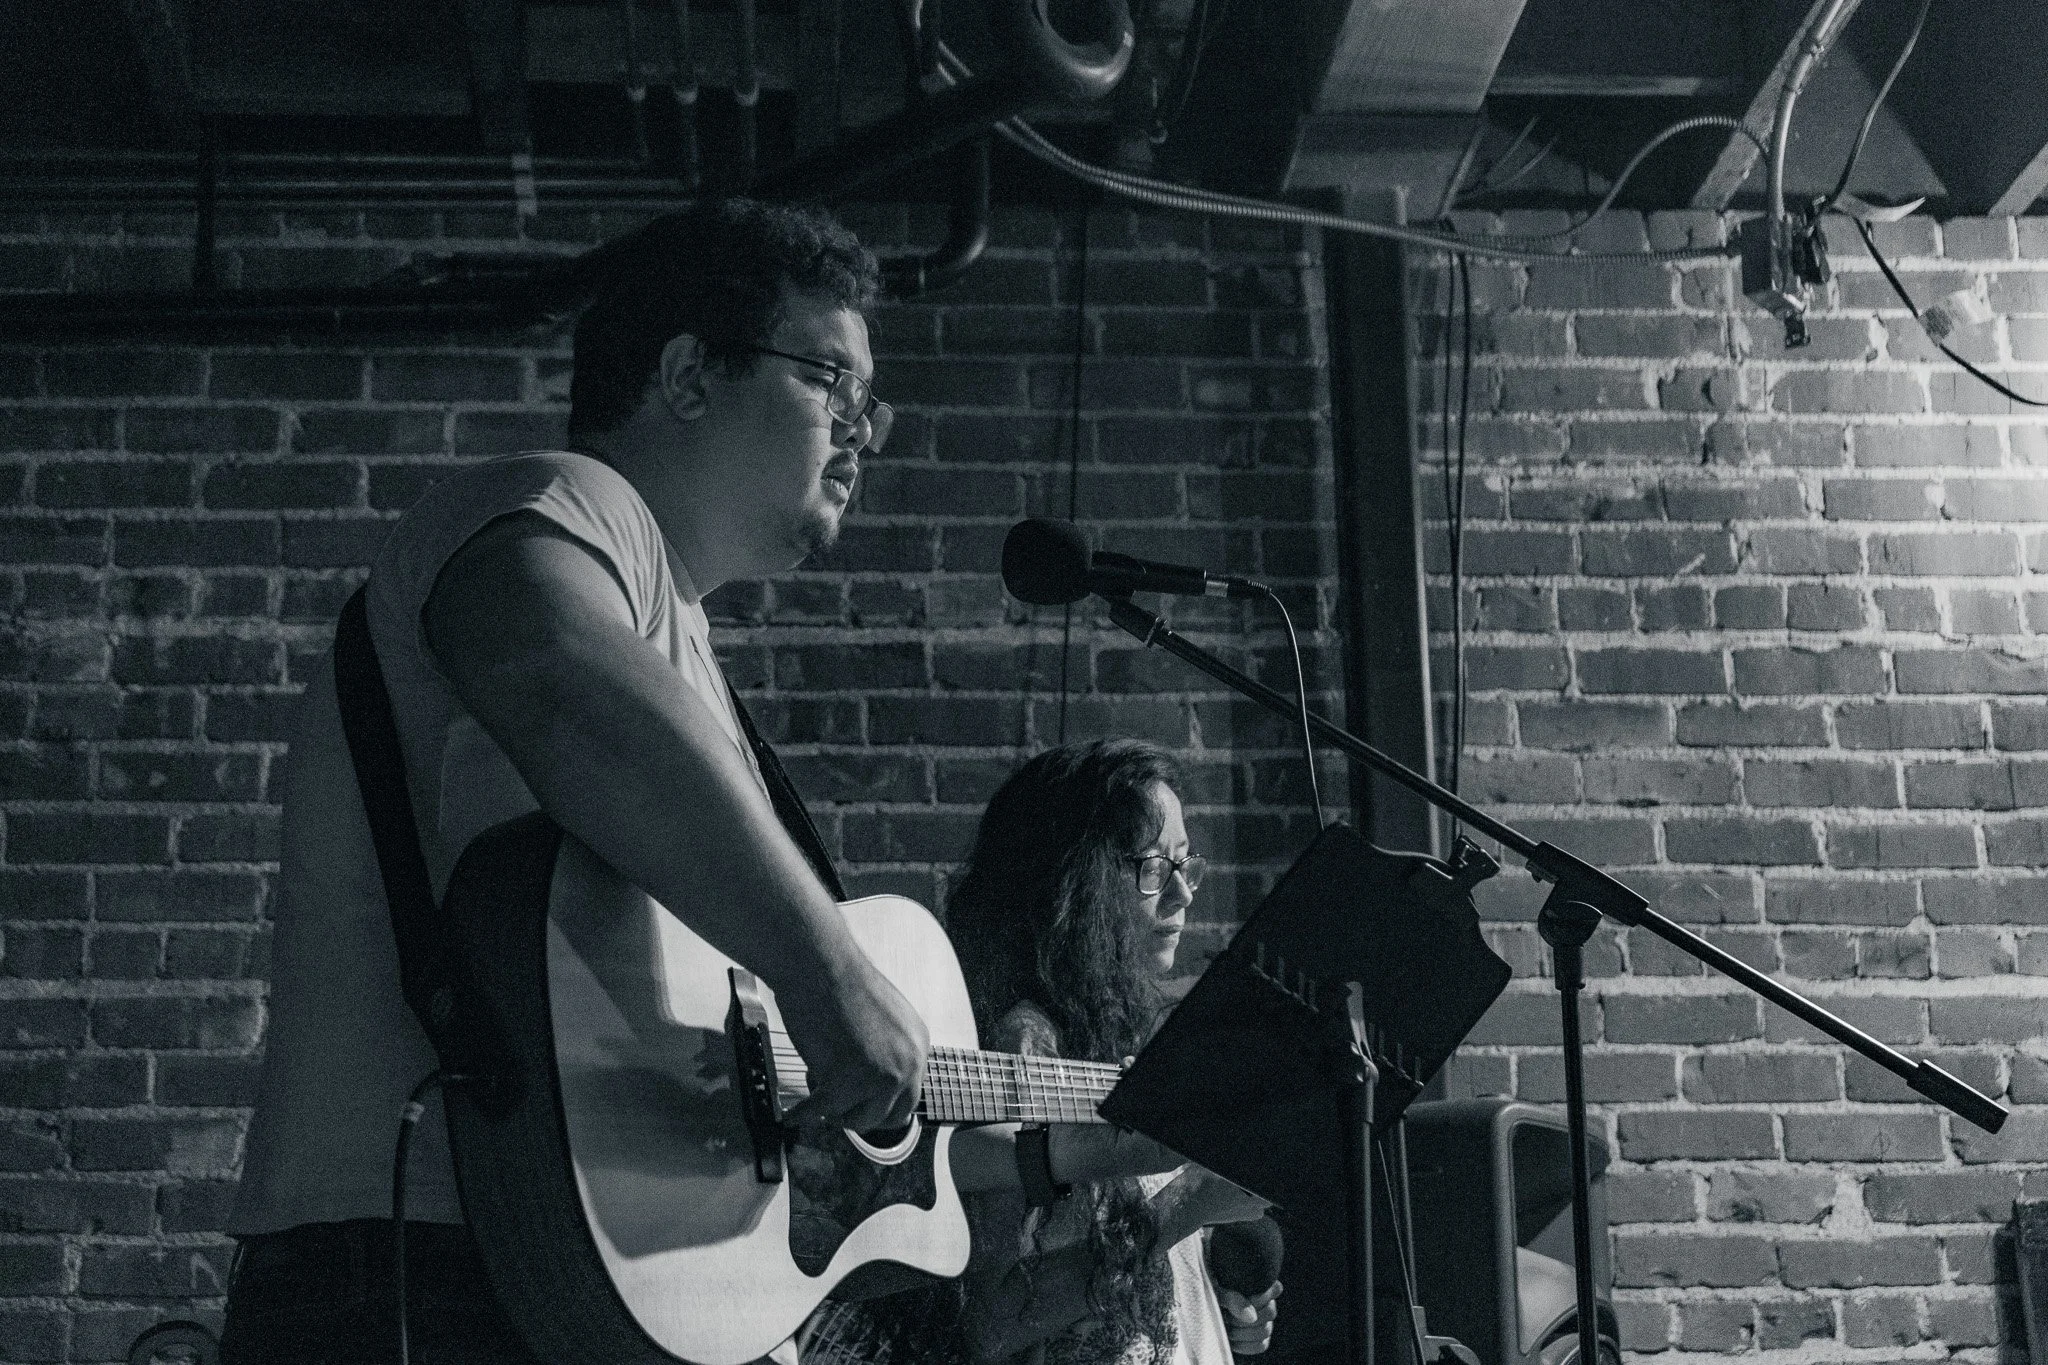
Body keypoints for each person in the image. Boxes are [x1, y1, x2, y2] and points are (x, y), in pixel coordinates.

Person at [221, 198, 928, 1364]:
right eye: (829, 384)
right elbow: (551, 675)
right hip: (425, 1273)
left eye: (871, 408)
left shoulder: (674, 628)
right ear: (690, 375)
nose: (861, 433)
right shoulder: (562, 501)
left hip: (523, 1275)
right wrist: (828, 969)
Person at [840, 740, 1281, 1365]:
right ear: (1079, 883)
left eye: (1187, 863)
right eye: (1155, 867)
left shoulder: (1128, 1032)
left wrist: (1215, 1296)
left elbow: (1138, 1263)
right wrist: (1188, 1206)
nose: (1183, 894)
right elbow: (990, 1320)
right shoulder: (1025, 1050)